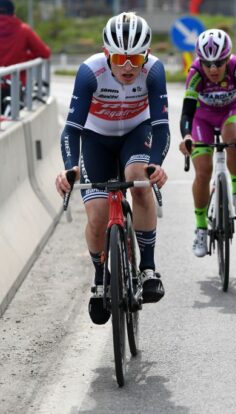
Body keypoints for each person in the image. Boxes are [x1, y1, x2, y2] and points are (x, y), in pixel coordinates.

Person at [55, 12, 169, 325]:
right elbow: (72, 129)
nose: (128, 66)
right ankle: (99, 278)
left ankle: (147, 268)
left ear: (146, 54)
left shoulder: (154, 71)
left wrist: (156, 164)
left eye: (136, 58)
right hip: (96, 139)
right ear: (107, 54)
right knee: (97, 214)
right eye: (120, 57)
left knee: (138, 180)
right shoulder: (90, 72)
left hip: (136, 134)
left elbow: (160, 126)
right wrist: (69, 168)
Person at [178, 29, 236, 257]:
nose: (213, 69)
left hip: (231, 112)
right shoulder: (194, 73)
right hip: (202, 118)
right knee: (203, 172)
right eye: (207, 63)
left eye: (219, 62)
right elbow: (187, 112)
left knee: (232, 139)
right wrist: (186, 136)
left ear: (227, 58)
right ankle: (201, 227)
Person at [0, 0, 51, 110]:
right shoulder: (23, 30)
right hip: (13, 85)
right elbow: (45, 53)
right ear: (13, 12)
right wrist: (26, 57)